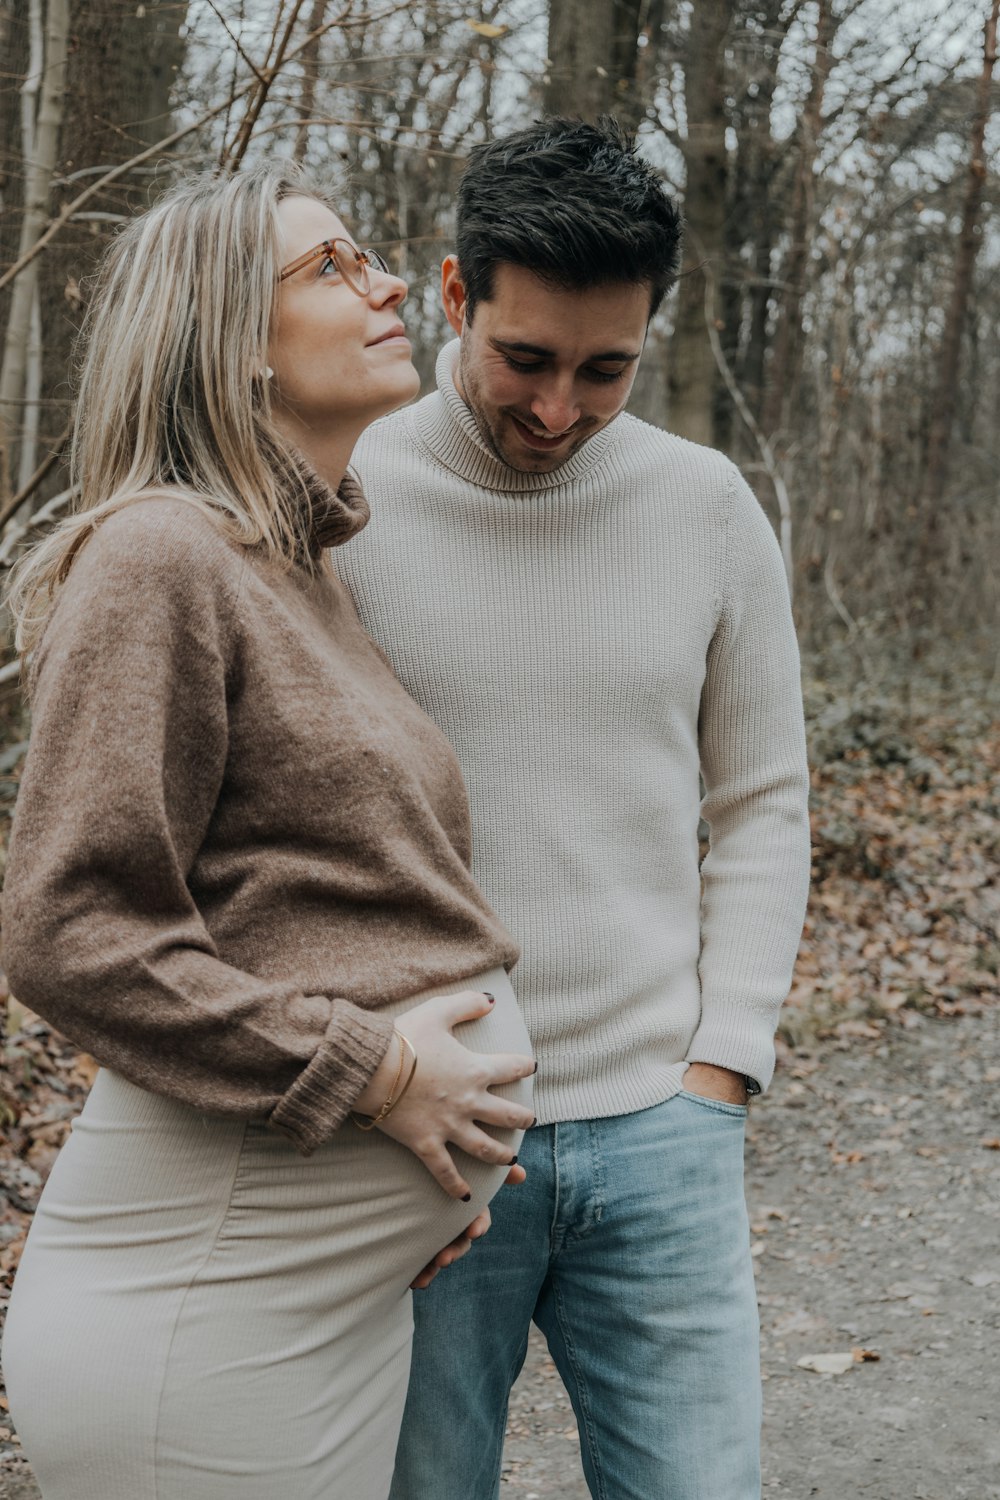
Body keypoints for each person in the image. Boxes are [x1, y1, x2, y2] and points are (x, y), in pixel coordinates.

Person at [0, 164, 536, 1500]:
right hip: (201, 1311)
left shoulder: (293, 571)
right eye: (334, 268)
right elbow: (71, 932)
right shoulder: (158, 557)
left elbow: (313, 908)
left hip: (313, 1297)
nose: (393, 285)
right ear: (232, 341)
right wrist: (371, 1076)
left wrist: (399, 1191)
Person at [336, 117, 812, 1500]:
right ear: (450, 294)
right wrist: (369, 1088)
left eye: (605, 371)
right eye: (524, 359)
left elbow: (765, 798)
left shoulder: (706, 506)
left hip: (663, 1137)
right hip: (424, 1142)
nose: (557, 410)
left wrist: (723, 1067)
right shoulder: (338, 499)